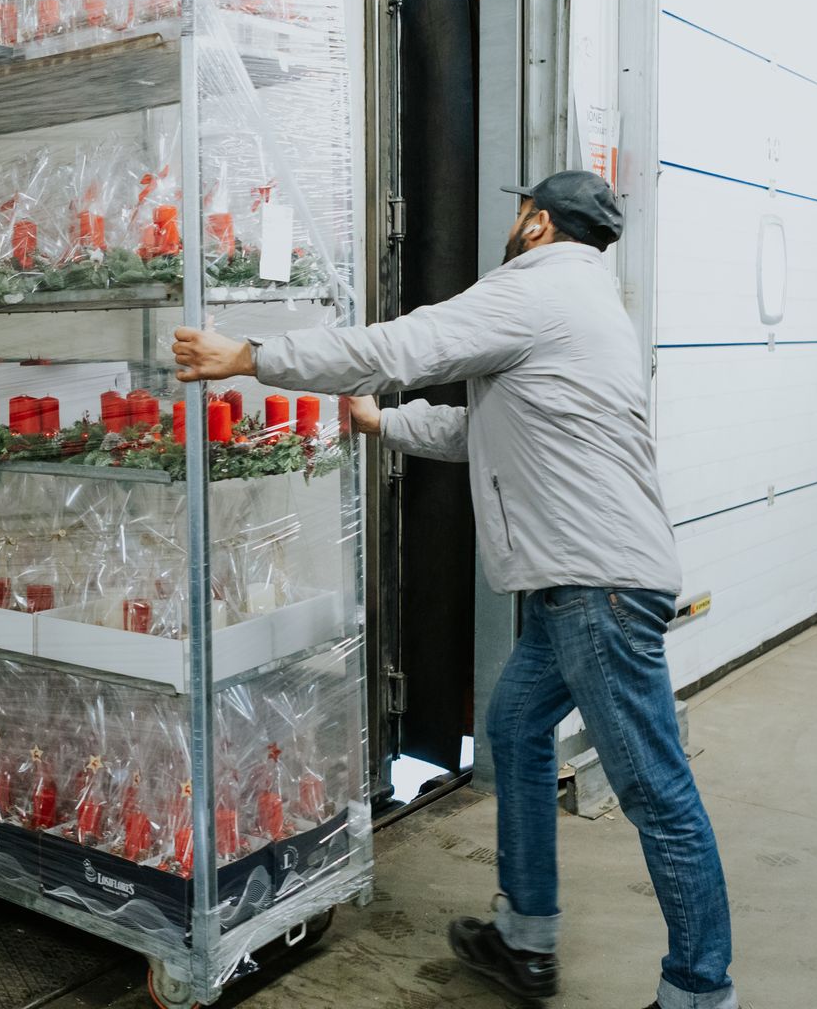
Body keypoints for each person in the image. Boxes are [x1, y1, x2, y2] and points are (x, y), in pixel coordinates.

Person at [171, 170, 734, 1009]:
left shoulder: (535, 289)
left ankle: (699, 991)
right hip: (584, 581)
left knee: (656, 788)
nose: (514, 223)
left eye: (520, 211)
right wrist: (381, 422)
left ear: (538, 224)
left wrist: (252, 358)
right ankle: (525, 939)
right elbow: (490, 429)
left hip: (595, 586)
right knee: (514, 728)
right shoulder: (586, 300)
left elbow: (401, 348)